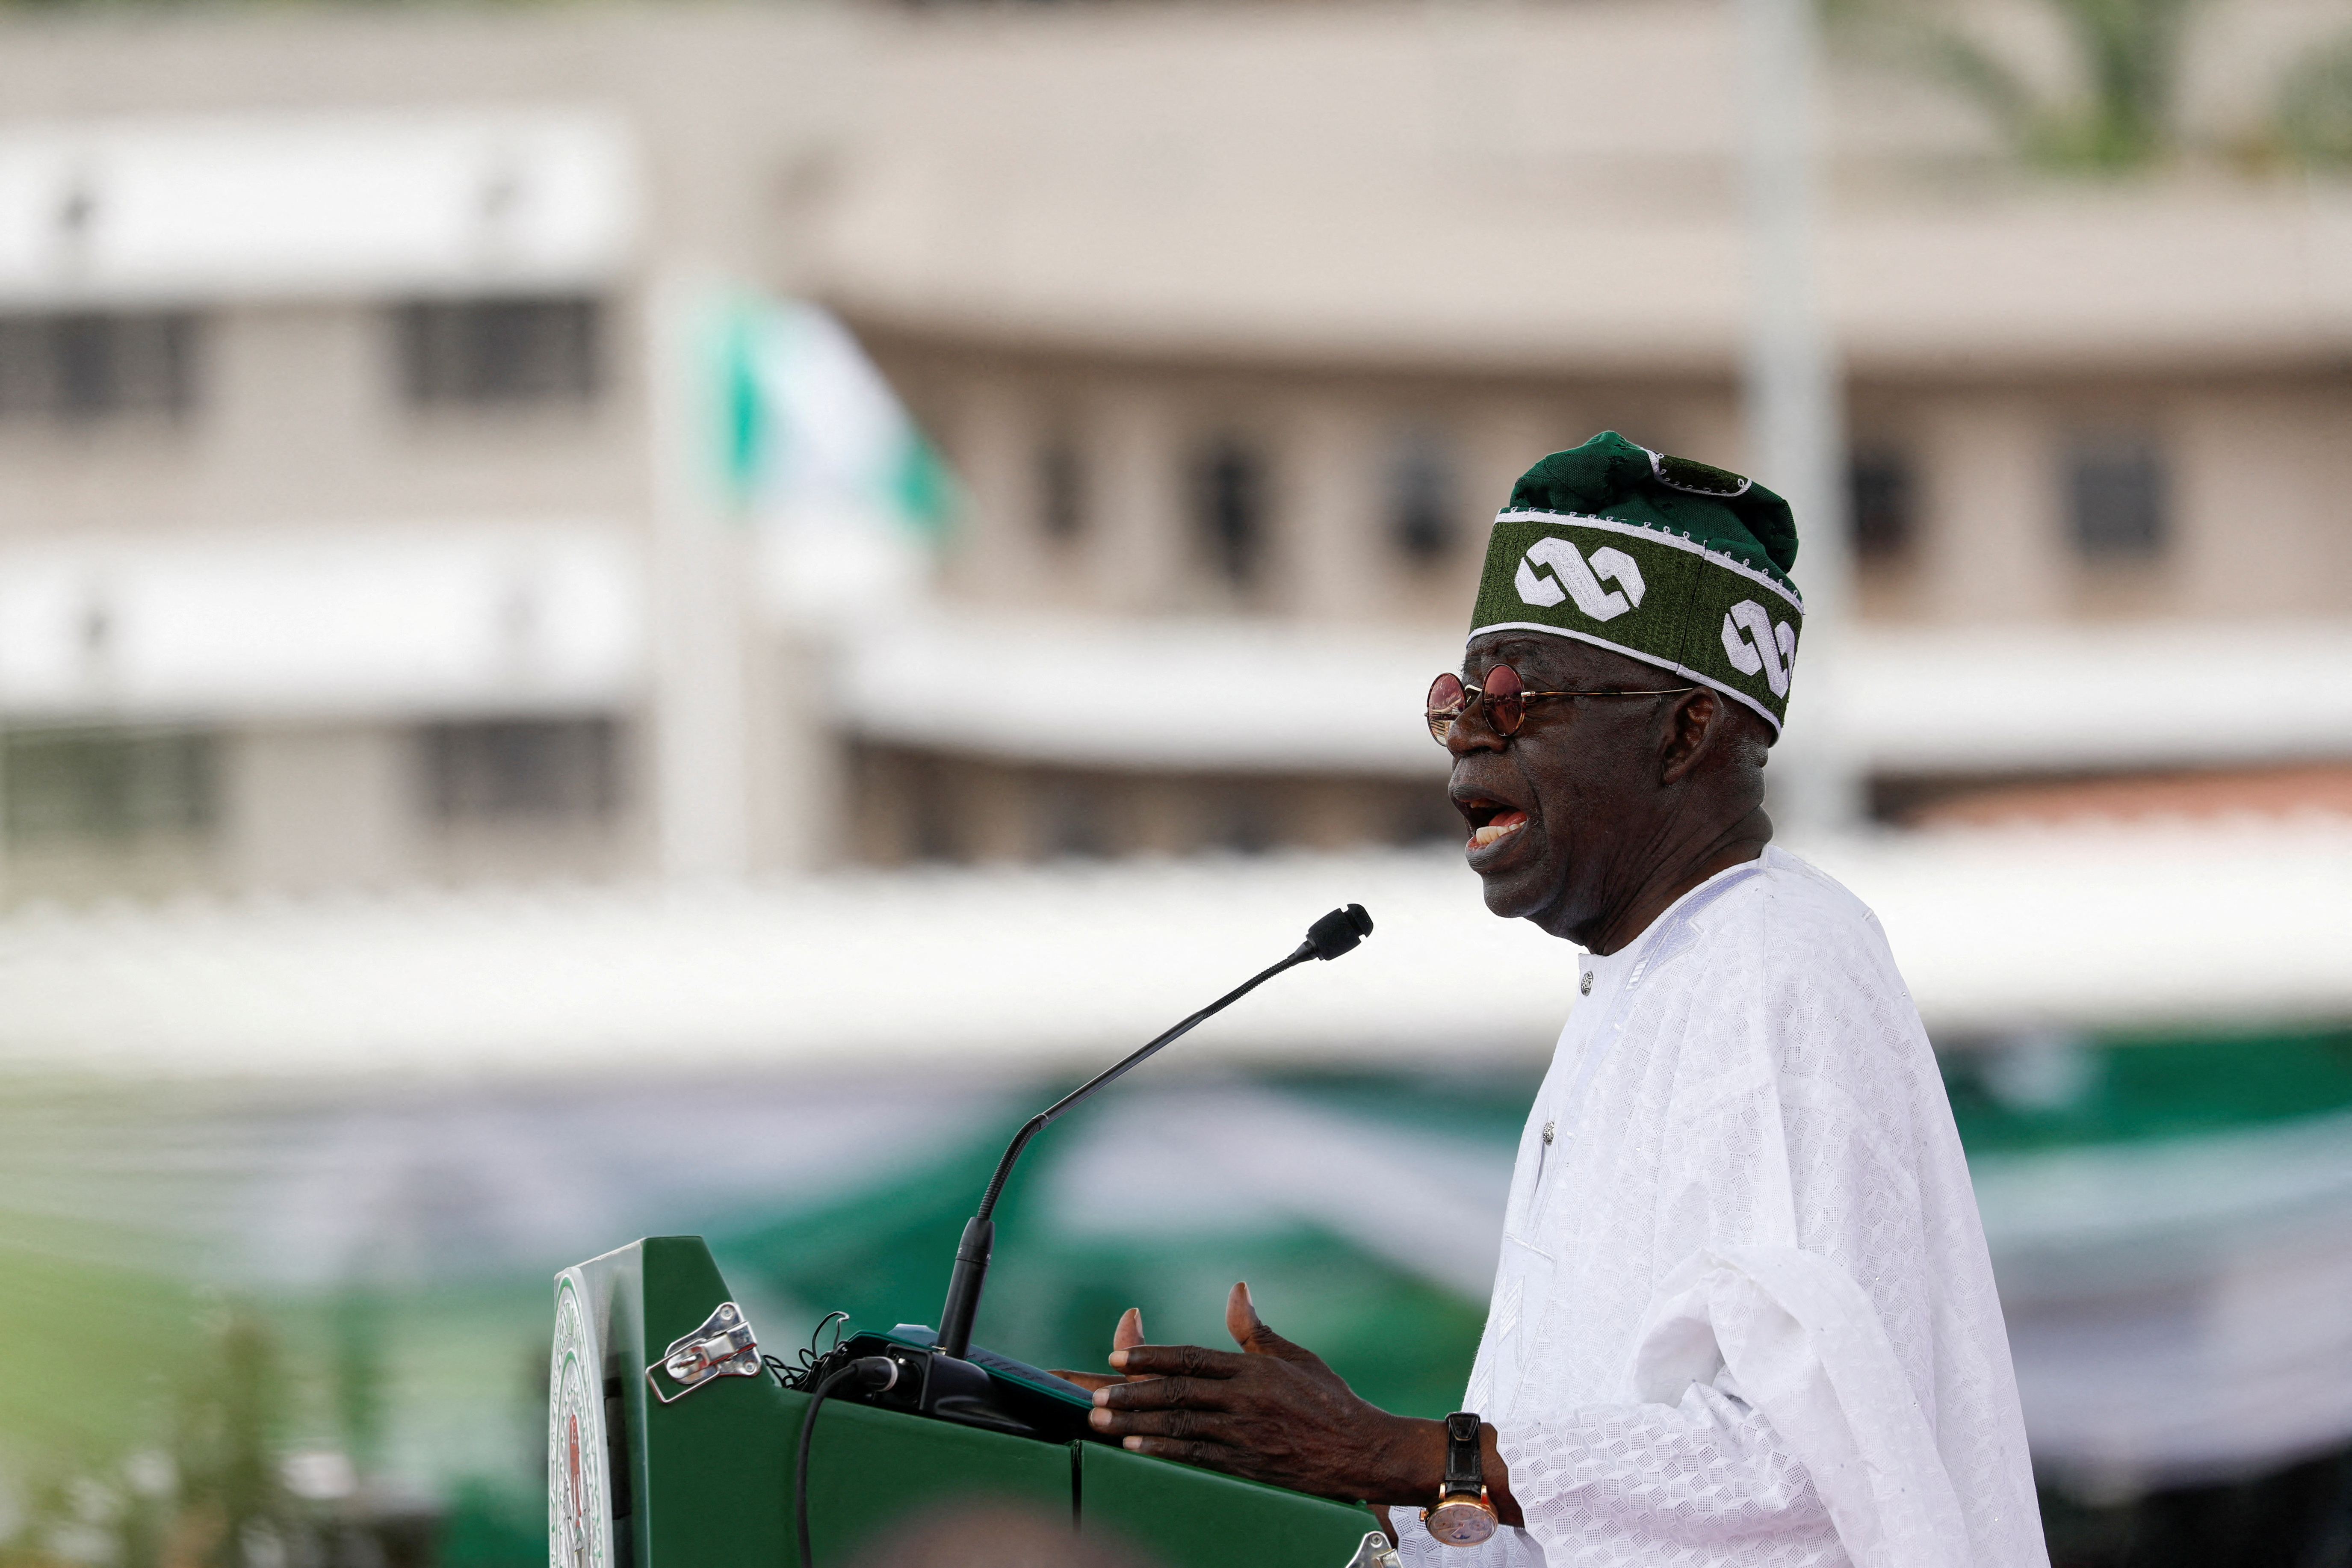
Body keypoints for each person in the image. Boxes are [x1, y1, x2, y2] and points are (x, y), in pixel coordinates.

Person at [1056, 432, 2049, 1567]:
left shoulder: (1778, 962)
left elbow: (1815, 1471)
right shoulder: (1631, 992)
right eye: (1456, 700)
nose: (1468, 738)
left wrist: (1401, 1452)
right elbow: (1573, 1523)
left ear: (1685, 728)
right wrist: (1310, 1478)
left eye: (1517, 697)